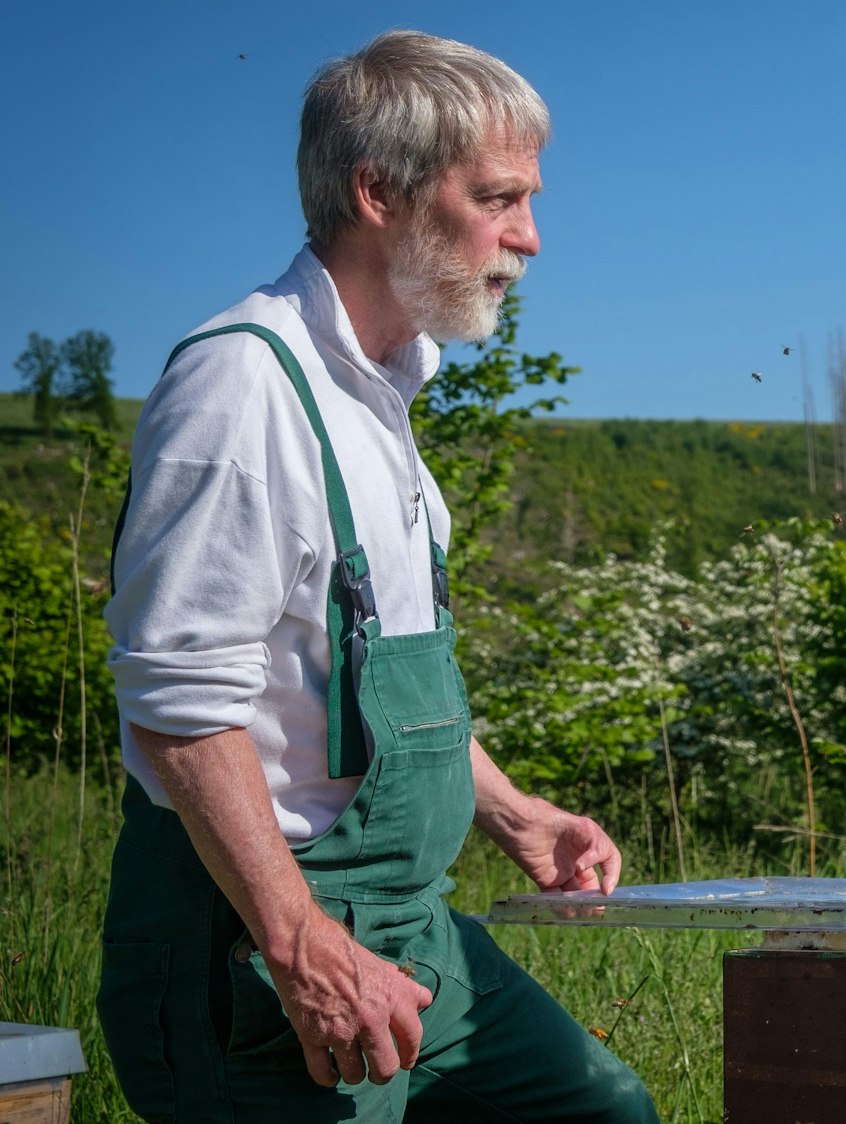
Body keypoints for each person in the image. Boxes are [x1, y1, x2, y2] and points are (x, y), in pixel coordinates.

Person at [98, 31, 657, 1122]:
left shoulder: (383, 394)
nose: (529, 237)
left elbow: (360, 685)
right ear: (379, 192)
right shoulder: (242, 387)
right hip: (260, 952)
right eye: (497, 198)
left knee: (601, 1108)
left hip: (414, 928)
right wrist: (301, 943)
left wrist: (513, 814)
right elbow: (177, 709)